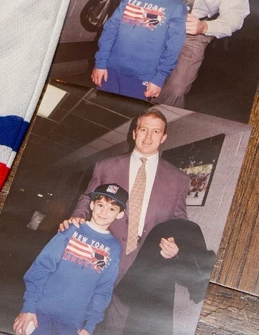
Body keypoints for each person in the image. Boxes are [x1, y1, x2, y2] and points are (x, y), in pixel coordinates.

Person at [60, 109, 190, 335]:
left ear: (163, 137)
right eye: (143, 129)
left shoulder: (179, 179)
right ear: (134, 133)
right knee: (80, 311)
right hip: (102, 251)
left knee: (118, 323)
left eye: (155, 131)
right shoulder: (106, 167)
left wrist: (175, 244)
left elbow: (179, 220)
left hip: (142, 262)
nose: (148, 137)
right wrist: (78, 216)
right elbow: (88, 197)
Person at [14, 184, 129, 335]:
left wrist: (89, 326)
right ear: (92, 204)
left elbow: (103, 289)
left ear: (120, 214)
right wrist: (29, 307)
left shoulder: (114, 247)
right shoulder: (71, 229)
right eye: (100, 205)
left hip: (72, 322)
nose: (104, 212)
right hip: (40, 312)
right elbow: (42, 266)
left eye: (112, 209)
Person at [91, 0, 187, 102]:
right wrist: (100, 63)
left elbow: (174, 46)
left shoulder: (177, 7)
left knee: (127, 113)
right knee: (102, 107)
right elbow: (110, 29)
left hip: (143, 76)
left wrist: (159, 77)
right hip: (110, 68)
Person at [116, 218, 216, 335]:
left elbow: (198, 280)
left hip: (150, 290)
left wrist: (179, 255)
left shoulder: (186, 227)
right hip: (123, 273)